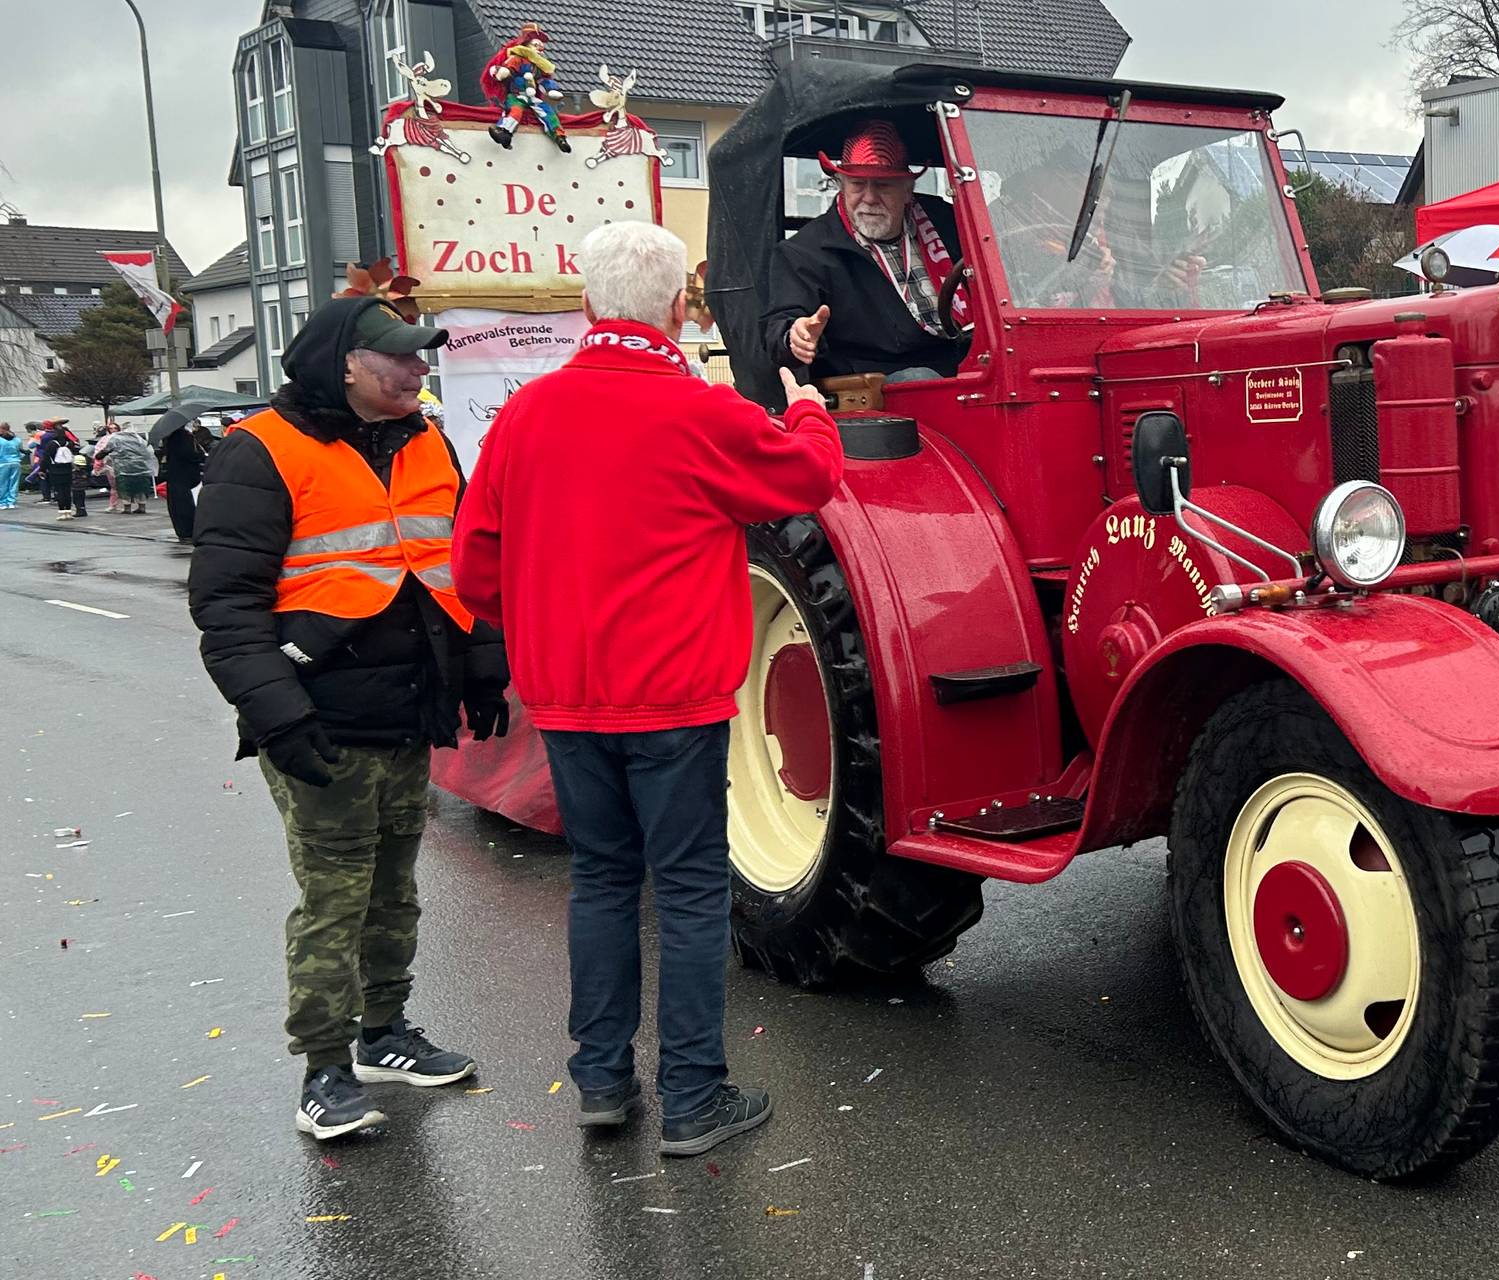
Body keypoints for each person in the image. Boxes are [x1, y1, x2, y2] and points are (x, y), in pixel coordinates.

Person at [458, 221, 843, 1157]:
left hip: (569, 698)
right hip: (674, 697)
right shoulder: (702, 412)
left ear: (589, 306)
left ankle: (599, 1081)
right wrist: (809, 406)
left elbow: (475, 572)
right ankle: (692, 1098)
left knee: (599, 881)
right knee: (690, 890)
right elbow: (813, 476)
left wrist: (550, 610)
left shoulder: (526, 415)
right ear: (680, 309)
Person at [189, 296, 508, 1141]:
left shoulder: (425, 440)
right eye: (398, 359)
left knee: (393, 889)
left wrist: (482, 671)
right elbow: (226, 606)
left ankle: (383, 1035)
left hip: (408, 711)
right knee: (334, 896)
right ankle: (324, 1068)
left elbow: (462, 565)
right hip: (319, 718)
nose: (416, 370)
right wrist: (278, 717)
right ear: (346, 367)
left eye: (419, 358)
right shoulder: (260, 451)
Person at [760, 120, 973, 383]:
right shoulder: (805, 252)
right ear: (841, 186)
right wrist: (794, 335)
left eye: (883, 185)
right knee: (920, 377)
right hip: (876, 388)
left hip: (968, 362)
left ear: (908, 191)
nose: (870, 198)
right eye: (858, 184)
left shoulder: (947, 222)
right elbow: (779, 325)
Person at [154, 408, 212, 540]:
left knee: (178, 504)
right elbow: (190, 454)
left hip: (175, 475)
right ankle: (188, 529)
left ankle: (183, 530)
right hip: (186, 475)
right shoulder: (183, 437)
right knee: (186, 503)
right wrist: (202, 455)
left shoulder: (171, 437)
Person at [98, 423, 157, 514]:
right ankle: (142, 507)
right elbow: (148, 451)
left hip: (123, 468)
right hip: (141, 467)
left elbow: (106, 449)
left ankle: (127, 507)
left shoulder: (116, 438)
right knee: (141, 487)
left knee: (124, 487)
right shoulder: (139, 439)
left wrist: (99, 456)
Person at [42, 421, 87, 520]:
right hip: (67, 470)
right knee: (67, 492)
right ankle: (69, 512)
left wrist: (43, 470)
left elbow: (46, 458)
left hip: (55, 470)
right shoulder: (69, 443)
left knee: (59, 491)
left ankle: (62, 512)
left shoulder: (51, 444)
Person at [0, 423, 19, 510]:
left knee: (2, 483)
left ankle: (2, 502)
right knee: (14, 483)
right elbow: (20, 452)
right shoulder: (16, 440)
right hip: (16, 463)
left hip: (3, 463)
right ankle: (11, 502)